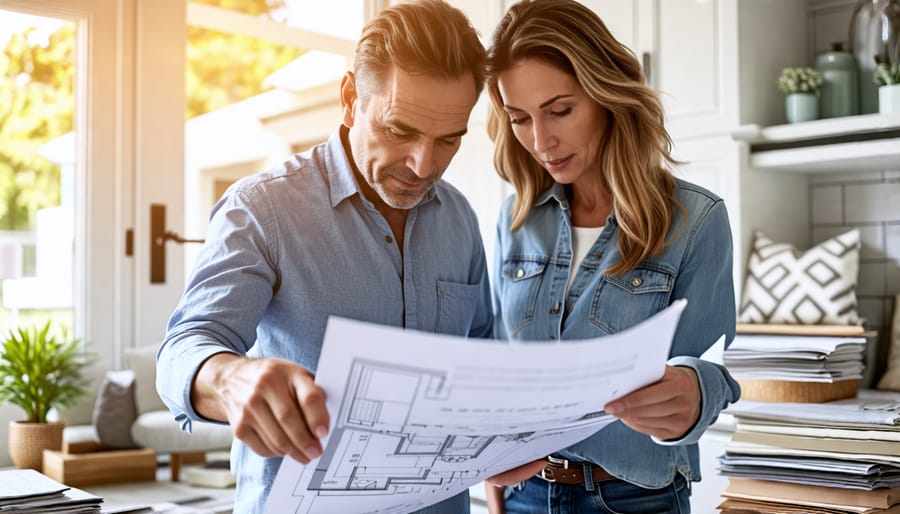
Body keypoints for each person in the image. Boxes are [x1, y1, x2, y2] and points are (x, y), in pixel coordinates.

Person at [156, 1, 492, 512]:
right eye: (400, 131)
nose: (424, 165)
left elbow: (483, 358)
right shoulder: (263, 208)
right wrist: (230, 377)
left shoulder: (460, 219)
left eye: (448, 140)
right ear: (351, 98)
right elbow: (185, 346)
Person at [483, 1, 741, 512]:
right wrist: (496, 497)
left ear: (607, 94)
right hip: (522, 497)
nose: (541, 140)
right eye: (519, 118)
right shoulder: (514, 219)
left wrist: (692, 390)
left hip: (634, 499)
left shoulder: (695, 219)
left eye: (560, 110)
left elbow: (718, 368)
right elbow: (495, 374)